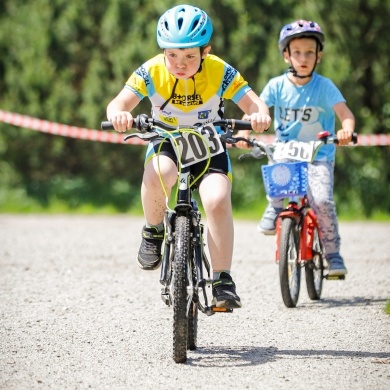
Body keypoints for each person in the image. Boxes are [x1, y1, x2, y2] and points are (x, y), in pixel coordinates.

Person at [106, 4, 271, 308]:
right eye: (173, 55)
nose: (180, 64)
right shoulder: (151, 70)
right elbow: (117, 103)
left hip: (208, 147)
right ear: (163, 51)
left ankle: (222, 279)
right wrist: (119, 115)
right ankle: (153, 230)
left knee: (217, 200)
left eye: (190, 56)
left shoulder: (220, 71)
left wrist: (259, 116)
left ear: (206, 51)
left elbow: (255, 105)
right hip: (167, 141)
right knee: (157, 174)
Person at [242, 20, 355, 276]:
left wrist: (346, 129)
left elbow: (345, 114)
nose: (303, 58)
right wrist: (243, 131)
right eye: (297, 52)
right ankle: (275, 207)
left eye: (309, 53)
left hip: (319, 154)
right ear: (286, 56)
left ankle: (333, 254)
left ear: (319, 56)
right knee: (277, 176)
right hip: (287, 150)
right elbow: (256, 109)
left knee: (322, 201)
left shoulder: (324, 87)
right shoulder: (276, 86)